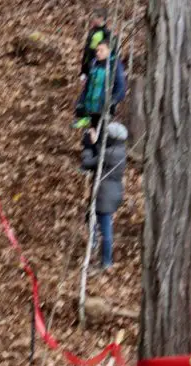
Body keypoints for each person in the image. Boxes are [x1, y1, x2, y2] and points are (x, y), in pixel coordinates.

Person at [81, 121, 127, 274]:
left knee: (105, 229)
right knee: (91, 218)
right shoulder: (120, 151)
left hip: (104, 195)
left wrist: (88, 146)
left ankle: (106, 261)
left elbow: (88, 163)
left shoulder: (110, 153)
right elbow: (102, 155)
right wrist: (95, 144)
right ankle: (94, 246)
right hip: (112, 193)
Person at [73, 39, 126, 129]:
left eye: (101, 50)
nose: (98, 53)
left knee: (101, 139)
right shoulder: (94, 63)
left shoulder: (115, 64)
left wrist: (112, 101)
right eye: (97, 50)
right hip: (90, 111)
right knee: (88, 140)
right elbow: (87, 87)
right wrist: (80, 102)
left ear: (109, 51)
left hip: (104, 111)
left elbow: (121, 87)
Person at [80, 7, 111, 82]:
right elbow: (86, 51)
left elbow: (106, 54)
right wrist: (83, 70)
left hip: (98, 66)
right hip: (88, 64)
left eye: (94, 17)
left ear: (101, 18)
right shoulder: (92, 31)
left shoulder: (106, 33)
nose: (93, 19)